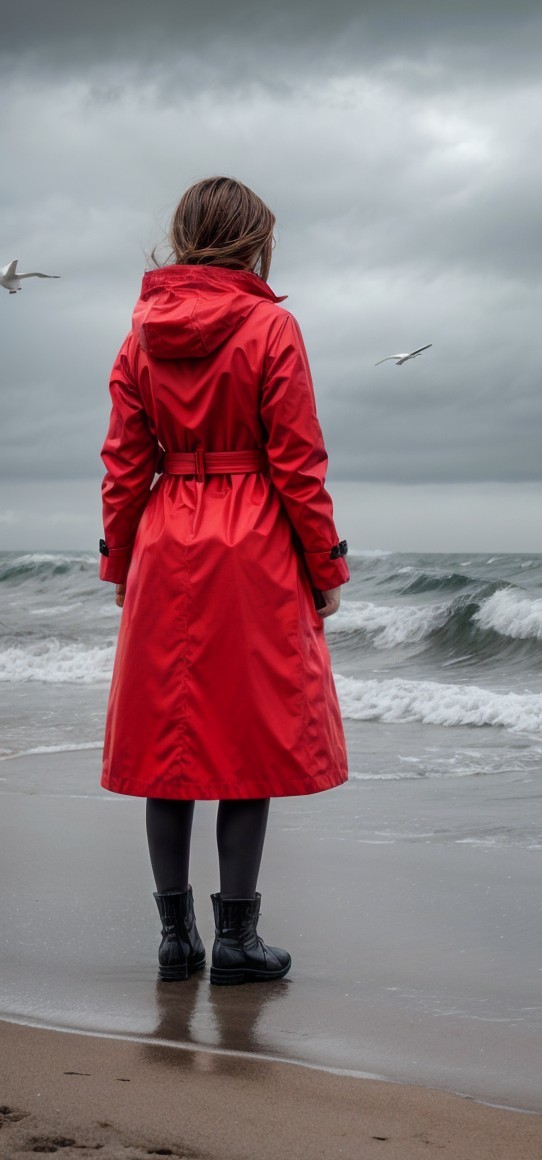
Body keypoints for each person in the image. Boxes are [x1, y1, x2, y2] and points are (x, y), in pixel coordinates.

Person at [99, 177, 349, 985]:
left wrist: (118, 562)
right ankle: (238, 941)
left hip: (166, 537)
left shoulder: (140, 335)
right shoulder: (272, 325)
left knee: (167, 743)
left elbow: (123, 465)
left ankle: (176, 938)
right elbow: (299, 462)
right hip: (252, 540)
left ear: (181, 235)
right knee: (247, 739)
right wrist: (326, 567)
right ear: (254, 241)